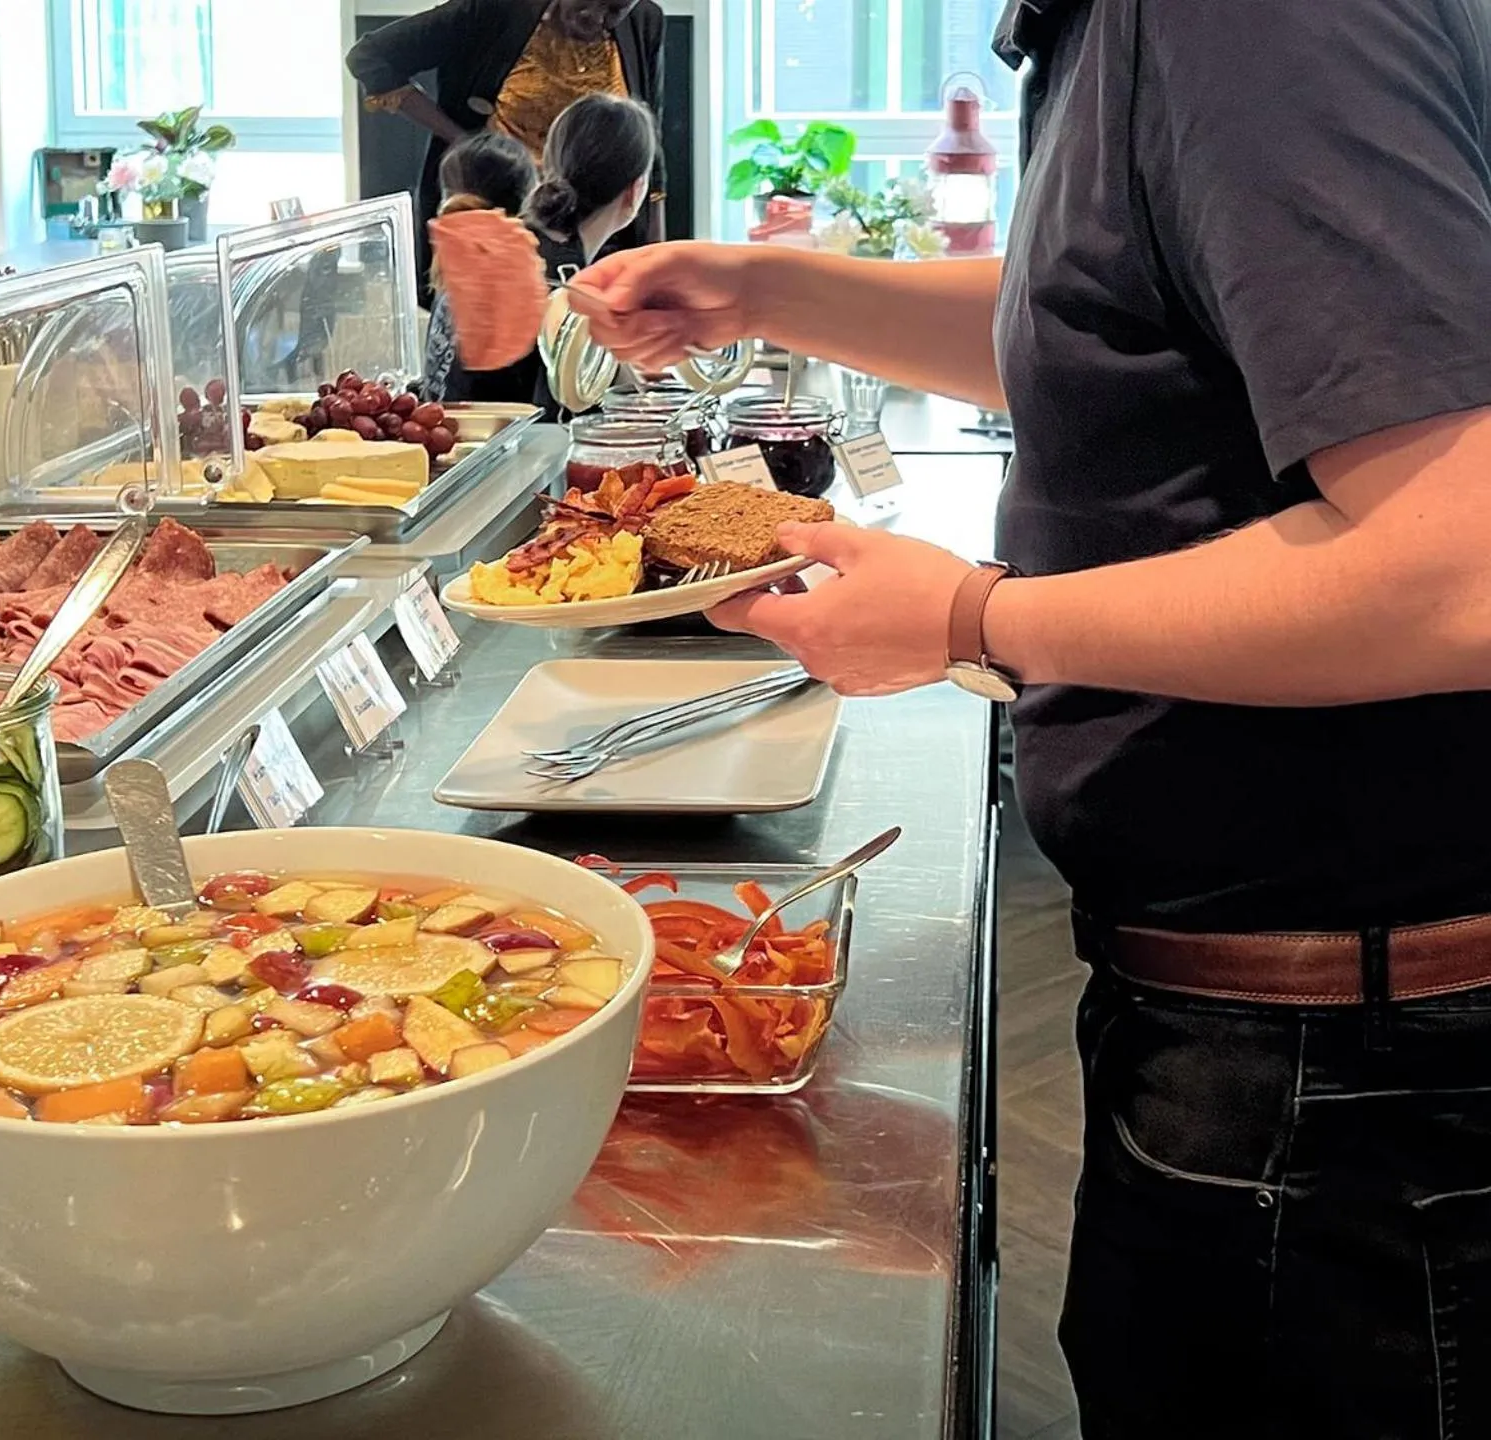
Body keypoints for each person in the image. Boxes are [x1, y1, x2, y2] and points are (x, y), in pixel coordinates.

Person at [568, 1, 1491, 1435]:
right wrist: (766, 289)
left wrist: (975, 619)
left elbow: (1457, 569)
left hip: (1346, 1069)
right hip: (1280, 1029)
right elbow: (1123, 322)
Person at [345, 0, 665, 292]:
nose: (596, 18)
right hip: (494, 226)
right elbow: (370, 57)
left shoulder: (644, 21)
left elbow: (650, 143)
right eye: (588, 3)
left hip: (600, 239)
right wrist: (463, 140)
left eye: (615, 10)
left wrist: (656, 259)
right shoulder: (495, 9)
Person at [431, 94, 654, 417]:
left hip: (455, 439)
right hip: (506, 446)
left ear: (548, 164)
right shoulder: (565, 284)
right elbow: (573, 415)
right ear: (636, 189)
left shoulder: (520, 244)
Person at [420, 131, 539, 405]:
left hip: (441, 423)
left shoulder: (451, 271)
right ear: (527, 204)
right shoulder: (517, 288)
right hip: (487, 429)